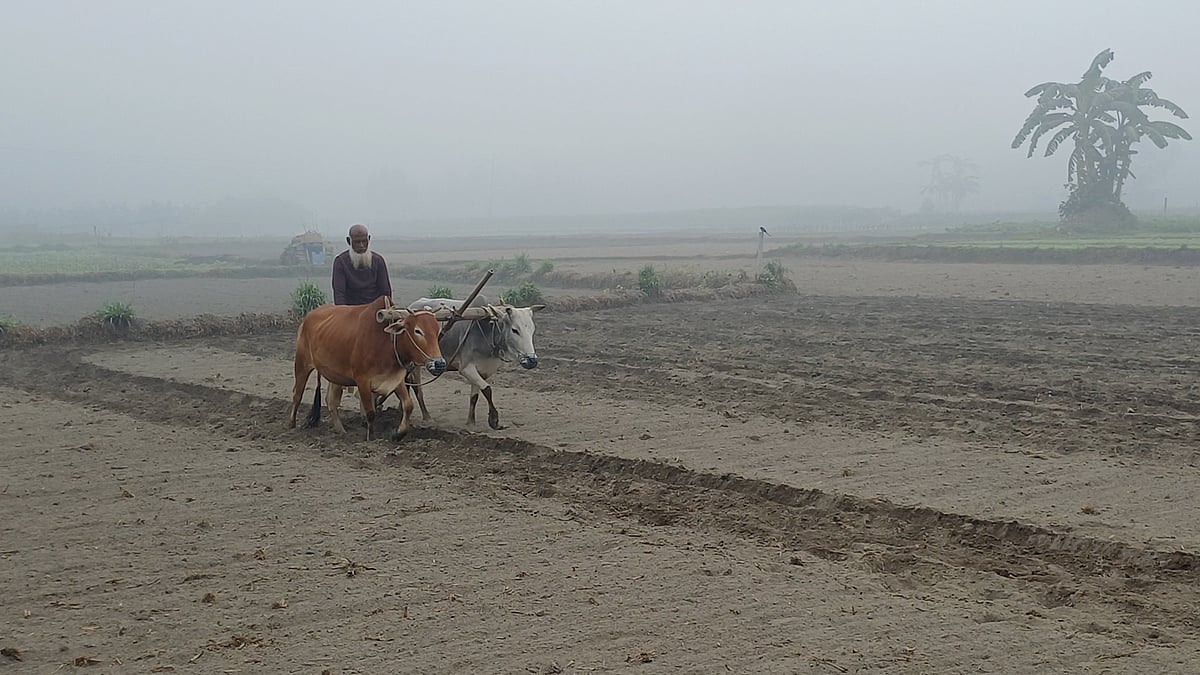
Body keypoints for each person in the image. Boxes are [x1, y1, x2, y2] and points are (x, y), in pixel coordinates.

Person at [331, 224, 393, 306]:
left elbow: (386, 292)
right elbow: (339, 294)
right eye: (357, 242)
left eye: (364, 241)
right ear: (349, 241)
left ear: (369, 239)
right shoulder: (340, 262)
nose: (361, 245)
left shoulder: (378, 261)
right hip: (350, 310)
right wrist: (342, 312)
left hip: (375, 310)